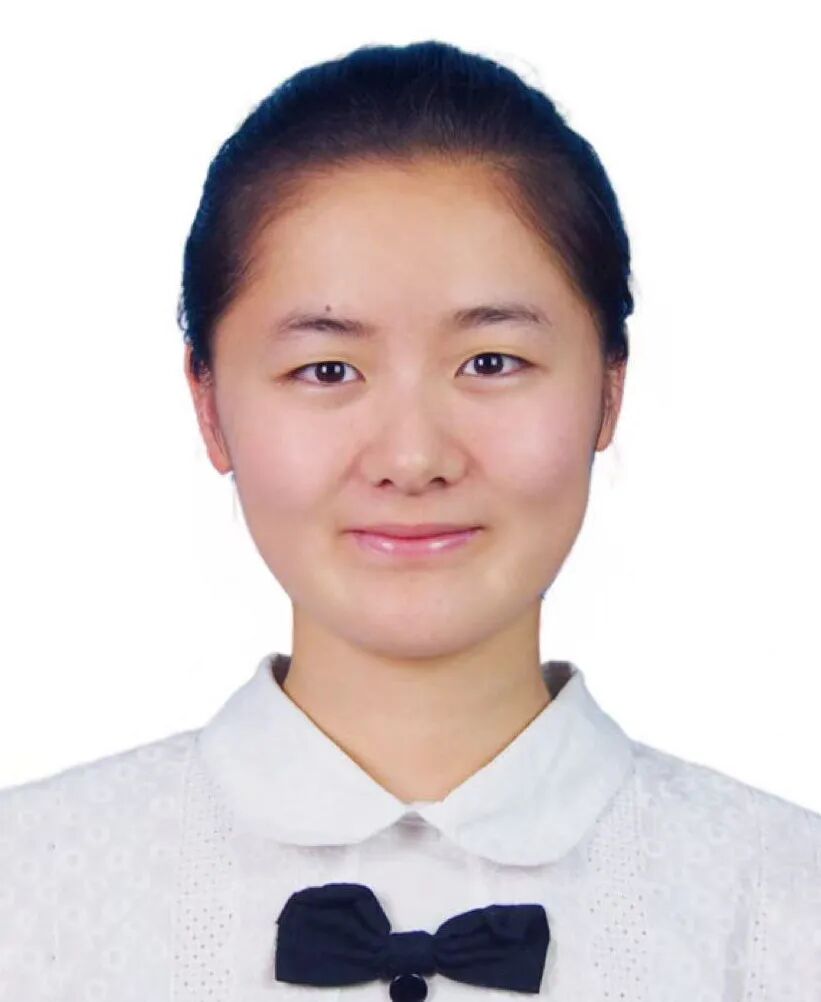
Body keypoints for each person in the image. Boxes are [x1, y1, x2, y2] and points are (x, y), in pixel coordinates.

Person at [1, 39, 819, 1001]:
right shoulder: (27, 894)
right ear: (209, 406)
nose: (412, 457)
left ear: (609, 389)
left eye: (490, 363)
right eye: (326, 370)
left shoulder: (785, 904)